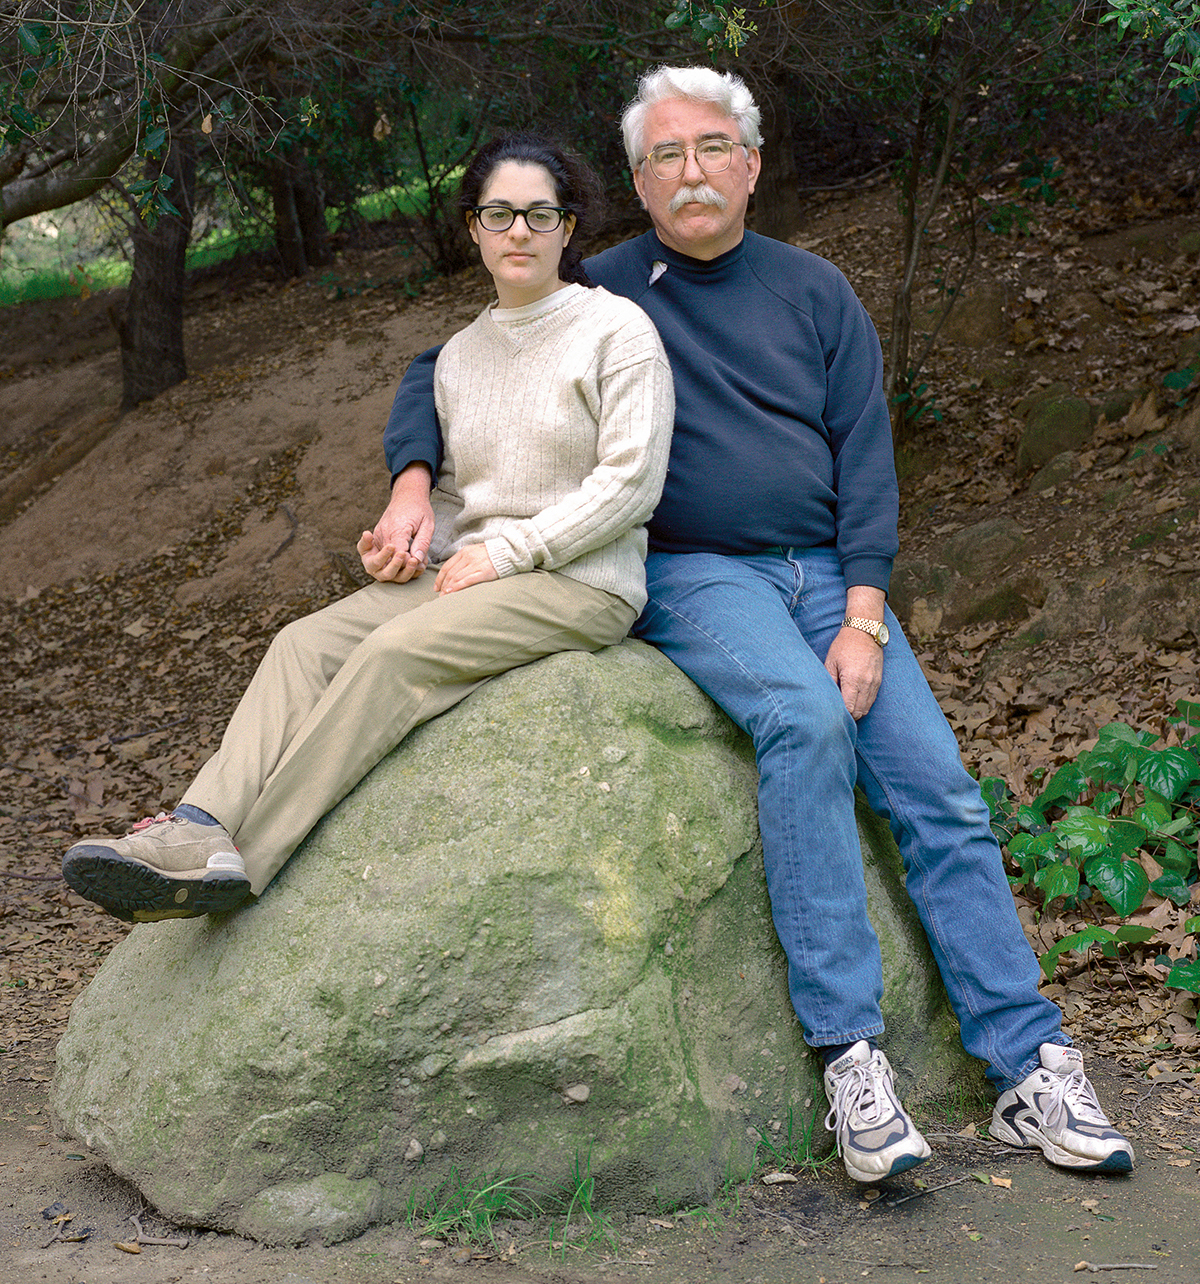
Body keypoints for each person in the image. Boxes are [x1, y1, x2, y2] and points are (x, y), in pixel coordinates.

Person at [374, 69, 1135, 1184]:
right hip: (693, 572)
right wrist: (410, 478)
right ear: (639, 182)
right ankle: (852, 1059)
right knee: (805, 722)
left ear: (752, 165)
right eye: (666, 155)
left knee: (938, 788)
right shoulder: (605, 288)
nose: (692, 172)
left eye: (713, 148)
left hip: (826, 574)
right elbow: (441, 365)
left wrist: (864, 614)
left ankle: (1029, 1067)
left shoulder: (814, 291)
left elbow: (866, 463)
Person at [62, 133, 674, 926]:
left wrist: (511, 551)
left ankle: (243, 860)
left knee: (392, 653)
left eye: (539, 214)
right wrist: (408, 546)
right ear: (473, 228)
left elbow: (631, 482)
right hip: (471, 572)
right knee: (302, 645)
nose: (519, 231)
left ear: (570, 227)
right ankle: (199, 822)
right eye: (499, 214)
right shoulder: (460, 356)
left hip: (578, 580)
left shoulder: (617, 330)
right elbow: (460, 491)